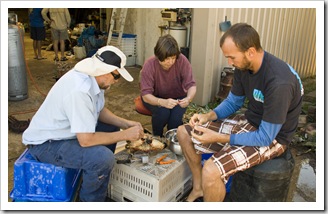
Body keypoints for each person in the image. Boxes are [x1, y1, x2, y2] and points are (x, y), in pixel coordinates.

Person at [177, 23, 303, 202]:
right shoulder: (244, 67)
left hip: (274, 137)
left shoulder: (279, 82)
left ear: (250, 52)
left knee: (211, 170)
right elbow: (233, 101)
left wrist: (219, 138)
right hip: (250, 122)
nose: (229, 63)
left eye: (232, 57)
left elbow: (265, 137)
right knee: (183, 133)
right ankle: (198, 188)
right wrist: (208, 116)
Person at [22, 45, 145, 202]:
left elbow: (99, 110)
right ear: (104, 72)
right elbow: (86, 140)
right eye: (116, 76)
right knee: (103, 159)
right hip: (46, 144)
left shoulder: (94, 79)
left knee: (111, 128)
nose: (116, 81)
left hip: (64, 133)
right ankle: (88, 202)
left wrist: (125, 123)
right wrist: (125, 135)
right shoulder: (80, 90)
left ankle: (93, 177)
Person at [140, 34, 197, 137]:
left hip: (178, 97)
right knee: (163, 112)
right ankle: (157, 137)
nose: (170, 62)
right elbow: (146, 95)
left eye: (173, 58)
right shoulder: (149, 64)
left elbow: (191, 85)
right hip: (154, 97)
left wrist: (188, 98)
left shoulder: (182, 60)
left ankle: (173, 139)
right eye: (167, 59)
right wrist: (162, 102)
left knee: (175, 120)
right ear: (158, 56)